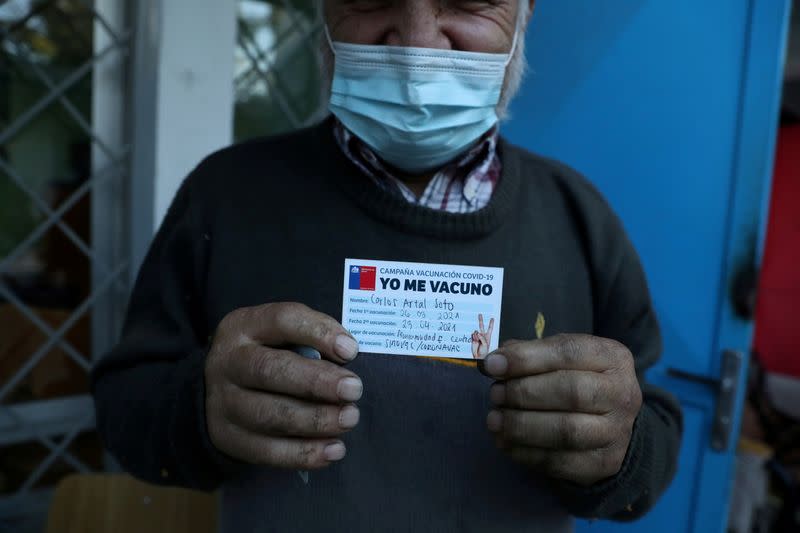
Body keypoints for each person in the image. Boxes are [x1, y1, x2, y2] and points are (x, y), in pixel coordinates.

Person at [91, 0, 683, 531]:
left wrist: (620, 446)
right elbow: (126, 405)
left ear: (526, 12)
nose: (419, 47)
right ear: (324, 13)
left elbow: (653, 431)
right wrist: (199, 410)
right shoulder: (226, 194)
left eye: (468, 1)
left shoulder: (579, 218)